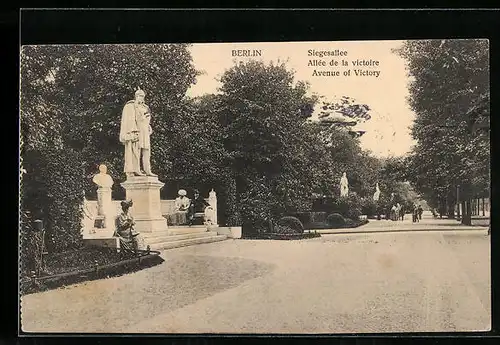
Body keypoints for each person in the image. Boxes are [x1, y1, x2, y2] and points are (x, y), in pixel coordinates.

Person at [119, 87, 156, 178]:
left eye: (143, 96)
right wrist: (132, 131)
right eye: (139, 96)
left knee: (147, 151)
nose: (141, 98)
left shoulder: (145, 107)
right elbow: (129, 120)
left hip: (145, 132)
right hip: (137, 130)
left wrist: (148, 126)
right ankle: (137, 169)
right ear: (136, 96)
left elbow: (147, 120)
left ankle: (148, 170)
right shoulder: (131, 106)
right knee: (136, 150)